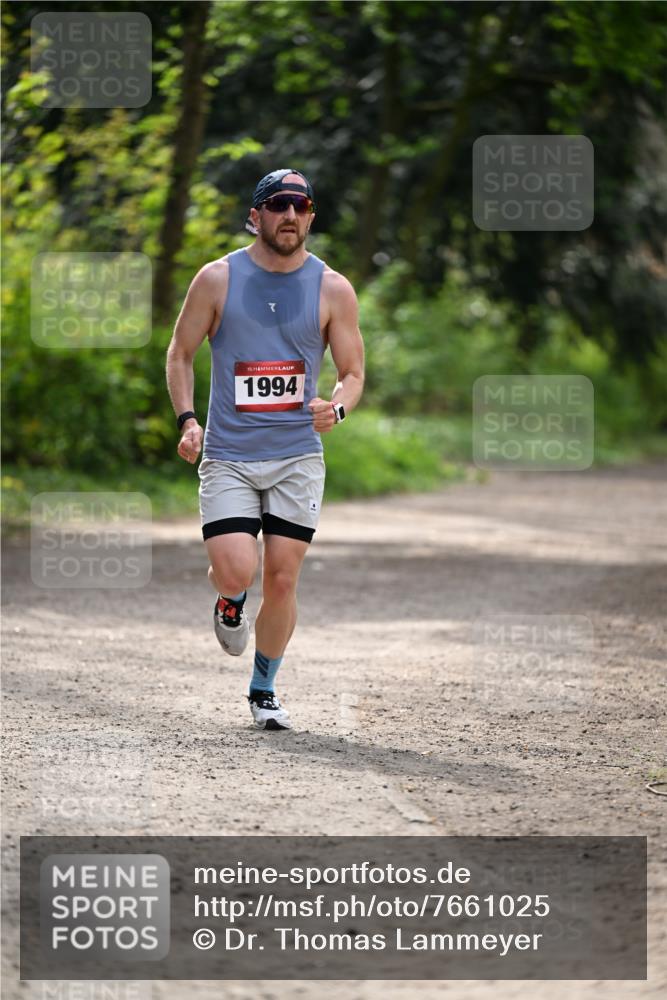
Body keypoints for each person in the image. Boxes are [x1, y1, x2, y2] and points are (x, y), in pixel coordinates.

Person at [166, 168, 364, 731]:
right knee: (235, 572)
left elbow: (352, 372)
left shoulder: (332, 288)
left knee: (281, 579)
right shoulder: (217, 279)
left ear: (311, 217)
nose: (291, 215)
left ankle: (264, 686)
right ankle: (229, 602)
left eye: (301, 206)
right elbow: (179, 353)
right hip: (229, 451)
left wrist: (338, 406)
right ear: (256, 216)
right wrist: (187, 421)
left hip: (297, 455)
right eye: (278, 205)